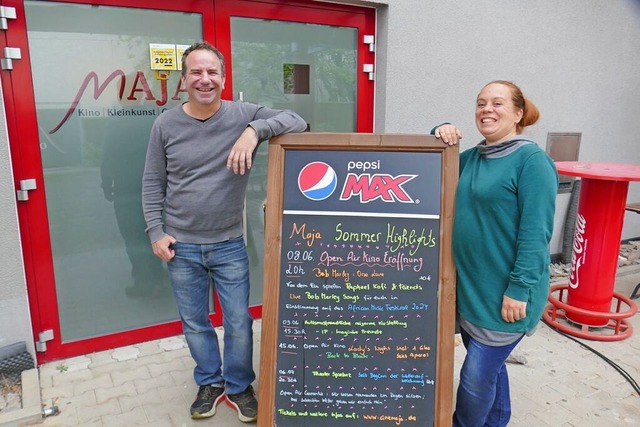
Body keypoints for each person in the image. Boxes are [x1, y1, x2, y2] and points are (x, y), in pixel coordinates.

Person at [142, 41, 307, 422]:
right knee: (195, 322)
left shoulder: (242, 114)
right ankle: (209, 382)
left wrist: (254, 131)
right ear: (184, 79)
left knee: (238, 322)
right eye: (196, 72)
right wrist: (156, 231)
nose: (205, 79)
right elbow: (153, 181)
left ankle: (238, 385)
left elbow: (296, 121)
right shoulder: (165, 124)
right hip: (181, 245)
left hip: (230, 243)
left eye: (212, 72)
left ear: (223, 78)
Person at [437, 80, 558, 426]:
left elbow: (536, 235)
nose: (486, 109)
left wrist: (519, 288)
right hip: (473, 290)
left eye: (497, 103)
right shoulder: (471, 158)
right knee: (487, 367)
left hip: (508, 295)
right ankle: (497, 420)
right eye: (480, 103)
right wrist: (438, 132)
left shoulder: (532, 162)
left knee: (475, 377)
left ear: (518, 114)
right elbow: (433, 166)